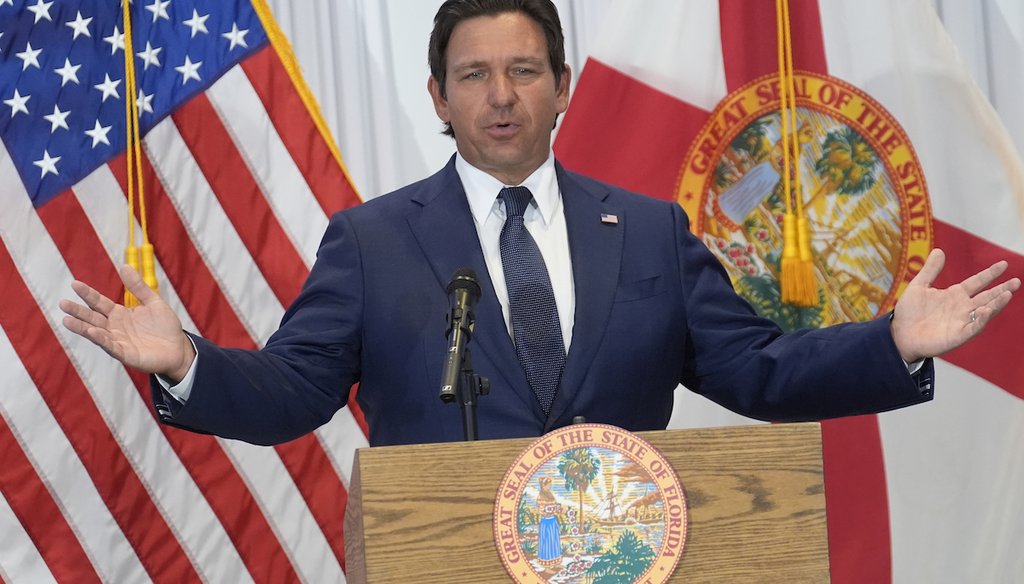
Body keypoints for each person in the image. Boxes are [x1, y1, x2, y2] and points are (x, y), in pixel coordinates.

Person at [60, 0, 1018, 447]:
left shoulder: (647, 232)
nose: (501, 96)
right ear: (438, 96)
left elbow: (756, 371)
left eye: (524, 71)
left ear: (562, 88)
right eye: (473, 76)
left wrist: (893, 344)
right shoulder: (373, 241)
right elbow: (291, 394)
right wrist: (185, 360)